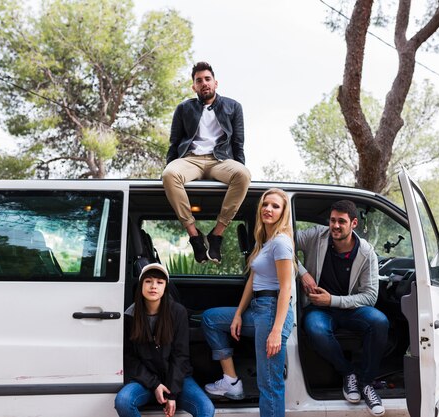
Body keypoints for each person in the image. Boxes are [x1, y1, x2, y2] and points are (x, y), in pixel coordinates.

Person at [201, 188, 295, 417]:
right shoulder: (265, 240)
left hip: (273, 312)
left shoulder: (281, 242)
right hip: (259, 309)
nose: (268, 209)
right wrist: (237, 314)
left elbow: (286, 288)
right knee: (211, 318)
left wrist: (276, 331)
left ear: (283, 213)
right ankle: (231, 380)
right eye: (265, 204)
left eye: (275, 206)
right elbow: (253, 280)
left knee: (269, 384)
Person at [297, 200, 388, 416]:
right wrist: (303, 272)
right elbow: (281, 243)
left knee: (380, 321)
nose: (335, 226)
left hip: (349, 307)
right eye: (332, 220)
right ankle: (349, 373)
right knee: (315, 328)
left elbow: (370, 296)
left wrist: (333, 301)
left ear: (353, 223)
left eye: (341, 222)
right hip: (317, 308)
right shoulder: (315, 236)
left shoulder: (366, 253)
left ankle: (366, 383)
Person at [163, 61, 251, 265]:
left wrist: (240, 172)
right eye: (199, 80)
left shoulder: (233, 106)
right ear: (194, 86)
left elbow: (238, 143)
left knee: (244, 174)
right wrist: (170, 167)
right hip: (191, 160)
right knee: (168, 174)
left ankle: (216, 235)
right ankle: (194, 236)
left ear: (215, 83)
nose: (204, 83)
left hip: (220, 160)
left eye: (207, 79)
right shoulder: (184, 108)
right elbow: (174, 143)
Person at [115, 263, 215, 417]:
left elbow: (180, 356)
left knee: (206, 409)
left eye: (159, 282)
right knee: (123, 401)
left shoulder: (177, 312)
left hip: (177, 378)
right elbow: (130, 358)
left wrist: (172, 394)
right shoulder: (130, 315)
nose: (153, 286)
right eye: (148, 281)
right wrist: (154, 384)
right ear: (141, 285)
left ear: (165, 287)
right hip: (146, 380)